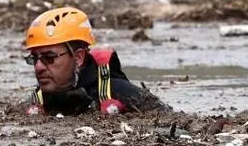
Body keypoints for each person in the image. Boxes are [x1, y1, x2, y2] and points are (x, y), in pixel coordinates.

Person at [23, 7, 170, 116]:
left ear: (78, 58)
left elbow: (169, 117)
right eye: (34, 58)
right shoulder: (37, 101)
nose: (38, 67)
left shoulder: (119, 92)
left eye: (49, 58)